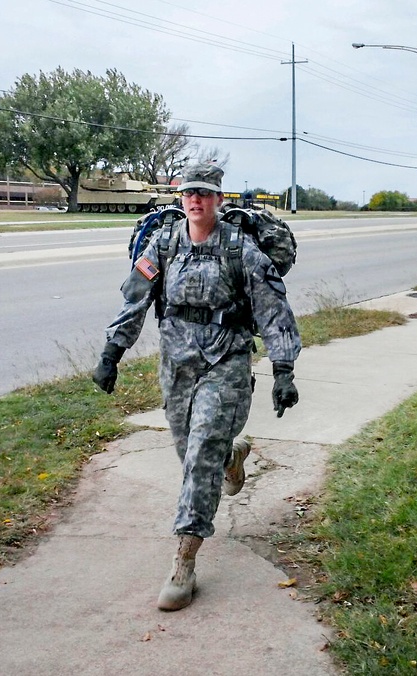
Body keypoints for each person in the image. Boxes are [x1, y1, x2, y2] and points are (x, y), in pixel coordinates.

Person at [92, 162, 301, 611]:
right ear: (181, 197)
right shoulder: (163, 241)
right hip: (177, 364)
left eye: (205, 194)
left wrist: (283, 368)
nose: (196, 200)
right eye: (189, 193)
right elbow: (135, 299)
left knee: (201, 450)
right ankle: (233, 458)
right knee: (192, 452)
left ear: (219, 200)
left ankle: (183, 560)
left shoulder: (241, 248)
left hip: (225, 361)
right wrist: (112, 353)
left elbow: (272, 306)